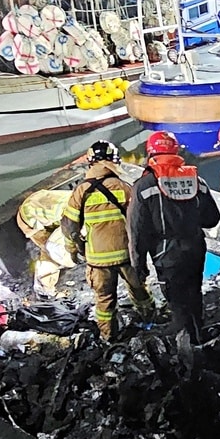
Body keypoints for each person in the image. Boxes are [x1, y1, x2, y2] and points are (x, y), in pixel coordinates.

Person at [128, 130, 220, 343]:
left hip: (166, 254)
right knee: (195, 293)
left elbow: (137, 231)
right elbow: (212, 218)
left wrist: (138, 265)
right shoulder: (196, 180)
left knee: (177, 303)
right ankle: (198, 334)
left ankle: (187, 349)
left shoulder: (144, 186)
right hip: (196, 248)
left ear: (150, 153)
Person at [60, 140, 152, 341]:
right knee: (139, 290)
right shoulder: (125, 186)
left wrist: (74, 249)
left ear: (91, 162)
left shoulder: (81, 192)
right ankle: (150, 321)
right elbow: (139, 221)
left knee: (104, 301)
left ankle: (109, 337)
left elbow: (69, 227)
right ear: (115, 161)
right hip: (127, 255)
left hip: (98, 260)